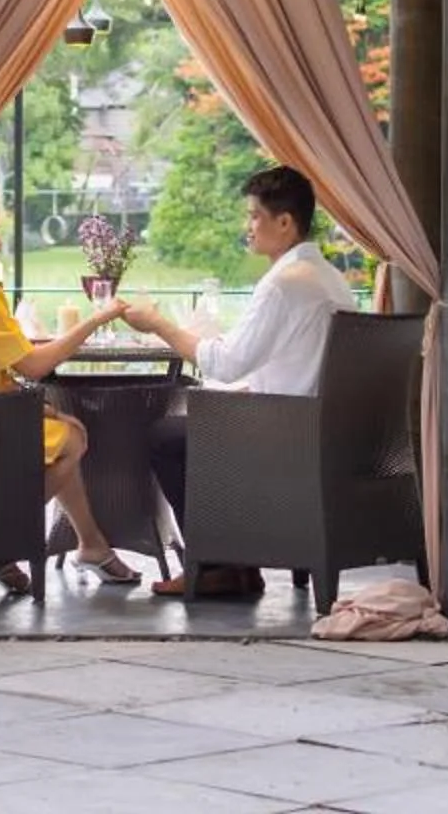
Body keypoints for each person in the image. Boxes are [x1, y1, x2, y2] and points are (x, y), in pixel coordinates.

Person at [118, 166, 349, 598]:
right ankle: (235, 563)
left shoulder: (284, 284)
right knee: (203, 420)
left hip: (288, 436)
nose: (248, 227)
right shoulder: (329, 279)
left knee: (166, 436)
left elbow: (224, 363)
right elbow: (295, 366)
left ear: (284, 222)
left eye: (254, 216)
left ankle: (215, 565)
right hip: (318, 427)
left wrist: (158, 325)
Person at [0, 188, 142, 590]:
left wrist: (38, 409)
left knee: (61, 430)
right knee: (73, 437)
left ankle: (91, 544)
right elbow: (35, 366)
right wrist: (96, 320)